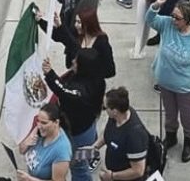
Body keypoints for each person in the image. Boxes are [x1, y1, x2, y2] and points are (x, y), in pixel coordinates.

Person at [145, 0, 190, 163]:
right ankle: (171, 137)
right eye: (173, 15)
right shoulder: (166, 24)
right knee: (170, 113)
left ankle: (189, 142)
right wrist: (156, 5)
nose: (173, 20)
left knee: (187, 116)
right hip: (165, 84)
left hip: (185, 88)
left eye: (177, 18)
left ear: (187, 20)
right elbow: (149, 19)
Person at [42, 49, 106, 181]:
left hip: (77, 134)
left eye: (76, 62)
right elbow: (72, 43)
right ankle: (91, 156)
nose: (73, 62)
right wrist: (61, 29)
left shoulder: (80, 92)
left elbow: (63, 90)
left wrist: (50, 74)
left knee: (78, 168)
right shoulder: (97, 78)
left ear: (84, 67)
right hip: (88, 126)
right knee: (81, 162)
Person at [94, 86, 147, 181]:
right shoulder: (116, 116)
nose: (103, 108)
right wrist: (95, 147)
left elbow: (138, 170)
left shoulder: (135, 135)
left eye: (105, 107)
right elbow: (108, 132)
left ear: (114, 111)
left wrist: (112, 176)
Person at [17, 102, 72, 181]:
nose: (39, 126)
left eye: (44, 123)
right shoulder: (38, 131)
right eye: (38, 121)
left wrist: (29, 179)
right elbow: (21, 151)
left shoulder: (62, 150)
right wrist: (26, 142)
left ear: (56, 122)